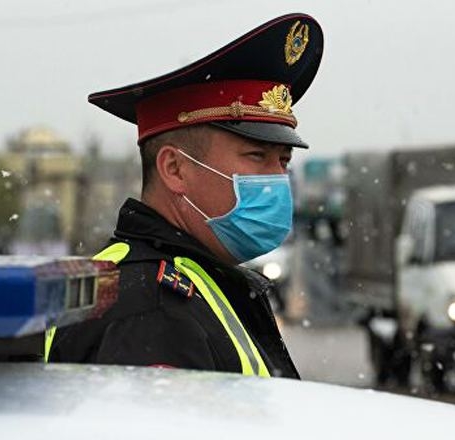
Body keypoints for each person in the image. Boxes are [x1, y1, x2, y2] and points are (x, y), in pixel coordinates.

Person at [46, 13, 323, 379]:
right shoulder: (151, 309)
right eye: (257, 157)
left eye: (283, 161)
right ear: (175, 169)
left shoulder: (192, 280)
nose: (276, 179)